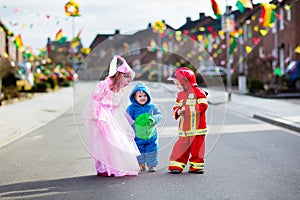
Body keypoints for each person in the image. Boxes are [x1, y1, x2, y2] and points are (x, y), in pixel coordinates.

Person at [81, 55, 140, 177]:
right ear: (122, 76)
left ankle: (115, 165)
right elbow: (95, 99)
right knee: (106, 141)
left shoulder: (118, 88)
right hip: (102, 116)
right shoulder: (105, 85)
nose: (128, 84)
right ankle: (106, 167)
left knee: (116, 140)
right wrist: (95, 114)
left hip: (111, 116)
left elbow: (115, 104)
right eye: (127, 81)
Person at [167, 67, 208, 174]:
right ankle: (176, 165)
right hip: (184, 129)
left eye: (177, 83)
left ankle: (197, 166)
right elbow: (176, 107)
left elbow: (203, 105)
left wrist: (187, 110)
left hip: (198, 129)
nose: (176, 86)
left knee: (197, 148)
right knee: (180, 147)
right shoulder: (180, 95)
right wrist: (178, 112)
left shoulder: (199, 92)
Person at [126, 82, 163, 172]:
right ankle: (141, 164)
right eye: (140, 96)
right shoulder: (131, 108)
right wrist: (129, 127)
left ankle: (151, 165)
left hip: (151, 135)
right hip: (138, 136)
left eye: (145, 96)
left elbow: (160, 115)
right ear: (134, 98)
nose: (143, 98)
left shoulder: (152, 107)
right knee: (139, 150)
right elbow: (127, 118)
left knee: (153, 149)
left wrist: (154, 119)